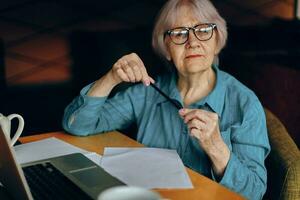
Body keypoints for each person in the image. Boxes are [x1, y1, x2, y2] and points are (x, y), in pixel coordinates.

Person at [62, 0, 270, 199]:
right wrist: (110, 78)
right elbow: (77, 125)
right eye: (179, 33)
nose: (193, 42)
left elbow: (253, 192)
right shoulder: (148, 91)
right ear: (166, 49)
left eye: (204, 30)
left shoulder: (245, 104)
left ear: (217, 41)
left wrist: (216, 147)